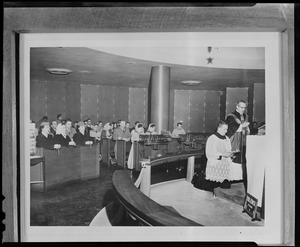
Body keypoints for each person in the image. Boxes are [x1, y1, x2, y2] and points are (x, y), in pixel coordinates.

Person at [205, 121, 242, 189]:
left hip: (225, 165)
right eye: (224, 129)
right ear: (218, 128)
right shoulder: (212, 138)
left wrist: (231, 154)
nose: (226, 131)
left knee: (225, 186)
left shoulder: (227, 138)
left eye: (227, 129)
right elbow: (209, 152)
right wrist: (222, 154)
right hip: (216, 164)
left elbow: (228, 150)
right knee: (215, 186)